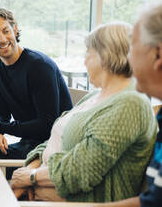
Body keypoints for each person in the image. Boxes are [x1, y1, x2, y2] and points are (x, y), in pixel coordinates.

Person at [10, 22, 158, 203]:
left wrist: (32, 177)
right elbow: (55, 139)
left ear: (105, 56)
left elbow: (83, 169)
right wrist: (28, 174)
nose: (85, 60)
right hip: (41, 194)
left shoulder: (130, 103)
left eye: (88, 53)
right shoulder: (95, 95)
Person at [0, 7, 73, 164]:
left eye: (6, 31)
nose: (3, 39)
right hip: (29, 144)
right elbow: (0, 111)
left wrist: (0, 127)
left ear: (15, 30)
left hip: (54, 148)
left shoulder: (39, 66)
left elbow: (47, 125)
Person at [96, 3, 162, 207]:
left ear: (158, 55)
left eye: (132, 46)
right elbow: (152, 202)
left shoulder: (130, 103)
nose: (128, 58)